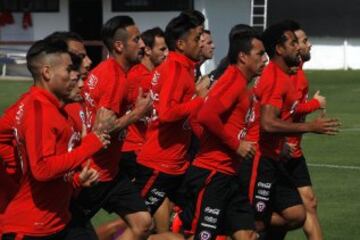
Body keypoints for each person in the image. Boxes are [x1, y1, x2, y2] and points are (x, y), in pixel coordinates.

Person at [0, 39, 111, 239]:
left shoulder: (57, 110)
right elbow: (42, 169)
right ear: (47, 72)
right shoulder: (39, 110)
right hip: (31, 228)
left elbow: (55, 166)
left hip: (57, 221)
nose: (75, 75)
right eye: (69, 70)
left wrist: (77, 180)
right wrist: (90, 145)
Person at [250, 21, 340, 239]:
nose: (302, 47)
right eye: (297, 42)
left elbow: (287, 111)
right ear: (280, 49)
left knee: (301, 210)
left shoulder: (291, 75)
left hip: (283, 152)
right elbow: (269, 122)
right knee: (259, 223)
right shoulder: (275, 77)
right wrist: (312, 119)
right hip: (266, 156)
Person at [179, 28, 267, 240]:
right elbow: (206, 115)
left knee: (247, 234)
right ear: (243, 57)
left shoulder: (245, 85)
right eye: (260, 54)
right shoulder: (233, 80)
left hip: (229, 176)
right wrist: (236, 145)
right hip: (212, 174)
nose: (265, 59)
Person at [73, 15, 153, 240]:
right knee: (73, 230)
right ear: (119, 45)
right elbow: (102, 133)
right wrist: (137, 114)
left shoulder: (112, 71)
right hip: (95, 174)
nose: (143, 45)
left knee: (143, 223)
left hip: (112, 172)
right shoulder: (113, 78)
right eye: (136, 39)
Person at [134, 11, 207, 225]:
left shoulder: (183, 68)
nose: (201, 43)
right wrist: (200, 99)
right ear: (181, 44)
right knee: (138, 225)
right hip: (158, 165)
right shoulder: (175, 69)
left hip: (176, 165)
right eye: (196, 39)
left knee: (197, 215)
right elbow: (167, 113)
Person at [96, 27, 169, 240]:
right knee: (149, 219)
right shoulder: (132, 77)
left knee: (144, 220)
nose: (166, 54)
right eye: (162, 49)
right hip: (133, 153)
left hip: (140, 155)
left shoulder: (151, 75)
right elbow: (104, 128)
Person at [282, 20, 325, 240]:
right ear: (294, 46)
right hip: (280, 153)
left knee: (309, 202)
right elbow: (283, 111)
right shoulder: (288, 75)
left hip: (294, 151)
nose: (310, 45)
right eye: (305, 40)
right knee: (283, 215)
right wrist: (315, 104)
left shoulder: (299, 73)